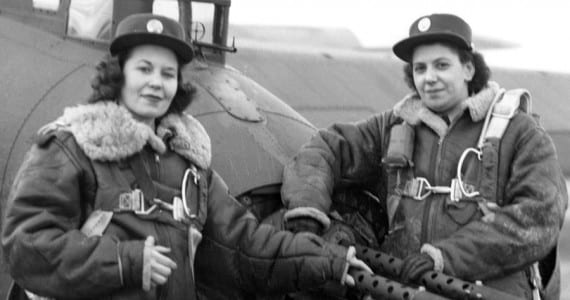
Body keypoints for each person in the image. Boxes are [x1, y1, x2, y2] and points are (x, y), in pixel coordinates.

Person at [1, 13, 371, 300]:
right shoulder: (71, 147)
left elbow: (245, 245)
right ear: (118, 75)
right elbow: (25, 245)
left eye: (168, 73)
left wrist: (328, 261)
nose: (155, 83)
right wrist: (124, 262)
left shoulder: (189, 168)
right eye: (143, 69)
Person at [280, 13, 567, 299]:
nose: (429, 78)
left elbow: (539, 216)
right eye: (420, 68)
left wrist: (445, 258)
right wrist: (307, 212)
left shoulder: (520, 133)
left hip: (485, 292)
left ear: (468, 69)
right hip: (406, 288)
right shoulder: (391, 127)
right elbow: (325, 148)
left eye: (441, 65)